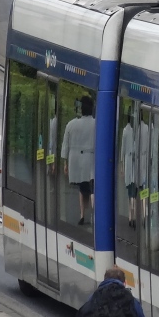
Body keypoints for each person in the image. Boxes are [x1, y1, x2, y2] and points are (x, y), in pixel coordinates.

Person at [61, 96, 96, 227]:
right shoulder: (96, 124)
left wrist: (65, 163)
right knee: (92, 187)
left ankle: (82, 214)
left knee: (82, 188)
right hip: (91, 159)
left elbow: (66, 145)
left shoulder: (71, 124)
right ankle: (94, 213)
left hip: (76, 161)